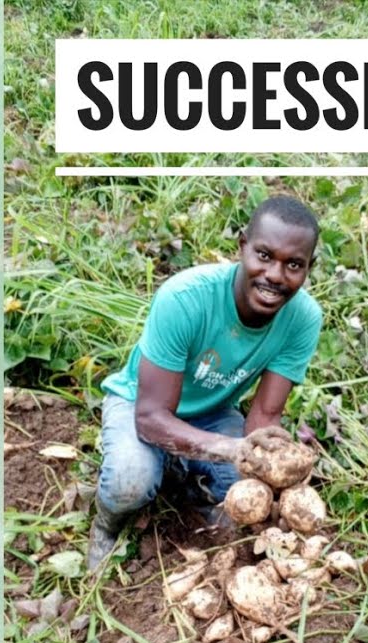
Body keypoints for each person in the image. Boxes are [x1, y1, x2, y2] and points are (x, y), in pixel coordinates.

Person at [87, 196, 323, 571]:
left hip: (213, 413)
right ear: (243, 246)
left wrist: (276, 477)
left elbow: (264, 415)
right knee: (129, 481)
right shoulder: (185, 298)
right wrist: (228, 449)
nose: (276, 276)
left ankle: (190, 490)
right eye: (264, 255)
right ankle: (107, 525)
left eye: (293, 265)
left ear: (309, 268)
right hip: (139, 404)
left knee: (247, 491)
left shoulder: (303, 318)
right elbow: (150, 418)